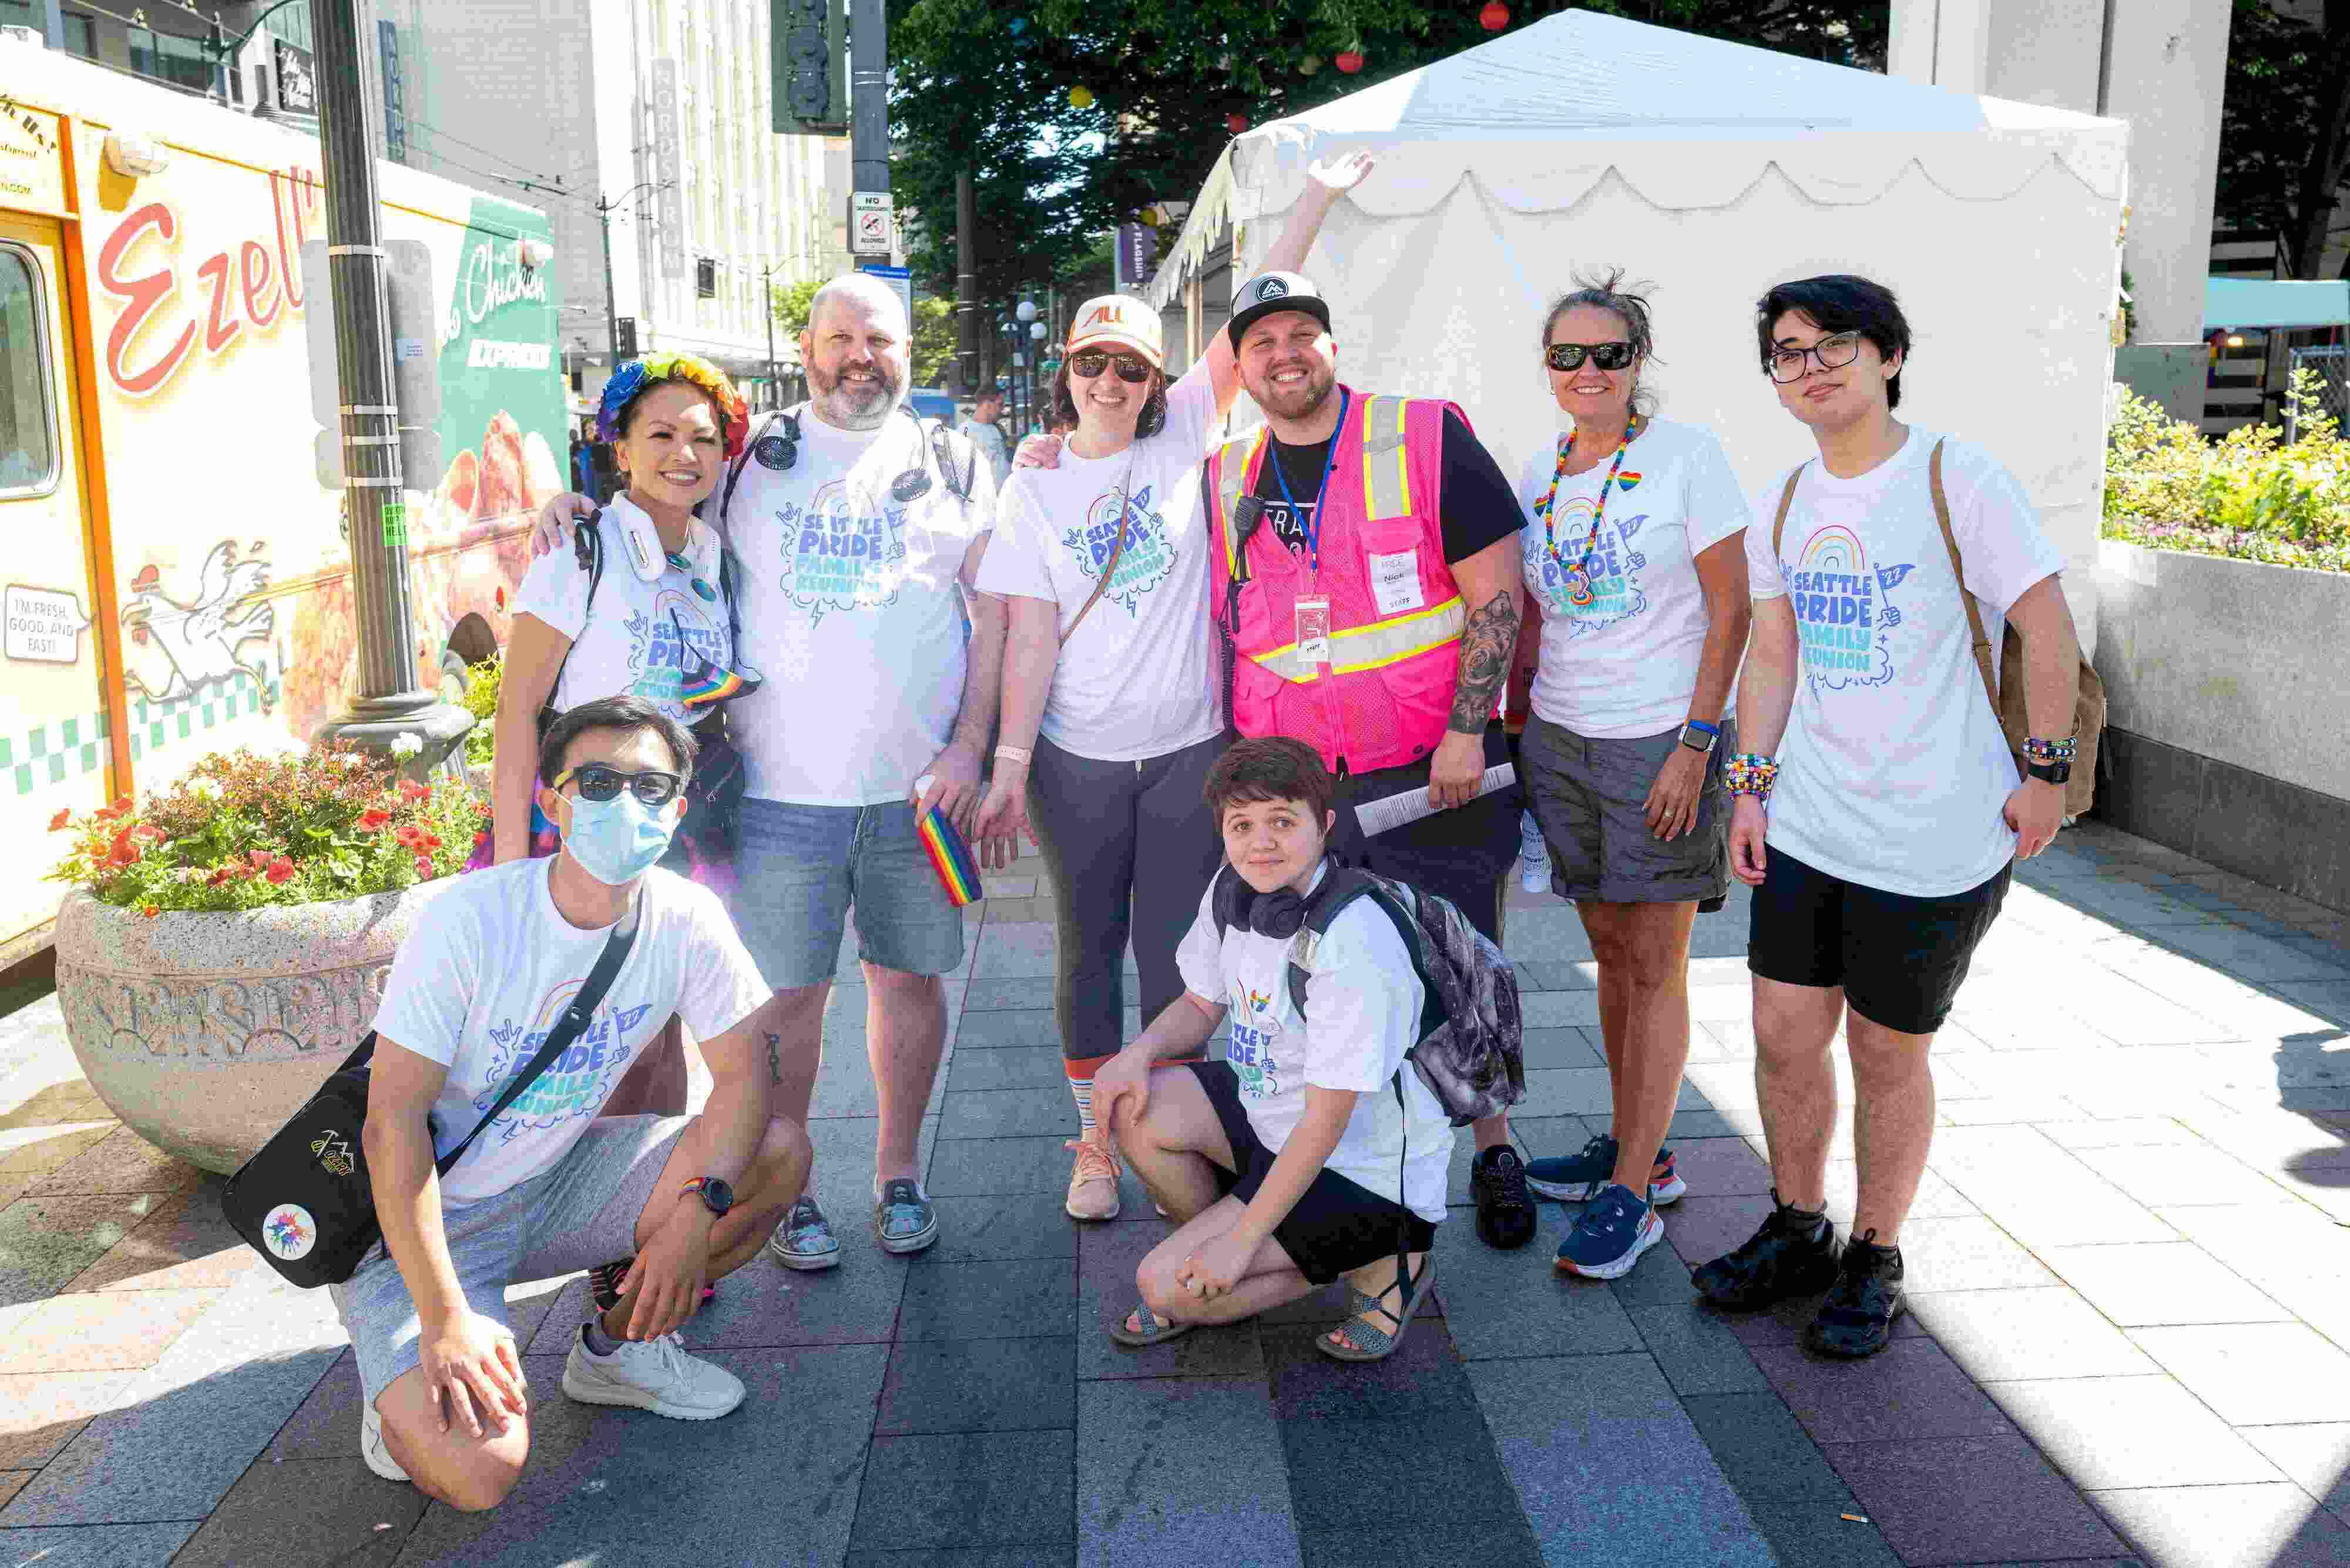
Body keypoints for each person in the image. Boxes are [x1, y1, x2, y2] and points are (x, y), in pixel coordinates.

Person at [535, 272, 1006, 1270]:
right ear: (807, 352)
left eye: (877, 339)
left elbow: (1000, 609)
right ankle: (790, 1182)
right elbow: (668, 481)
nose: (858, 358)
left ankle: (897, 1172)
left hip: (918, 790)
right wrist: (574, 503)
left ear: (907, 348)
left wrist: (973, 746)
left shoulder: (958, 460)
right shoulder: (757, 456)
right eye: (838, 338)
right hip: (779, 790)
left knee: (911, 983)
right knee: (788, 1001)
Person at [976, 155, 1369, 1223]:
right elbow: (1029, 639)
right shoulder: (1034, 484)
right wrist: (1011, 764)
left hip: (1189, 746)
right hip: (1078, 757)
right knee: (1085, 942)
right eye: (1094, 365)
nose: (1112, 384)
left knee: (1176, 951)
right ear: (1067, 371)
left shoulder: (1188, 429)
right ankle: (1093, 1139)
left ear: (1157, 382)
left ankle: (1156, 1121)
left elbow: (1257, 303)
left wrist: (1318, 199)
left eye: (1132, 369)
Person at [1694, 274, 2080, 1356]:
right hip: (1813, 818)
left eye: (1833, 345)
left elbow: (2045, 624)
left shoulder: (1956, 475)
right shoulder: (1784, 499)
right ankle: (1798, 1221)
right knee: (1781, 1035)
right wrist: (1750, 783)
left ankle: (1875, 1249)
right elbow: (1773, 653)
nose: (1809, 365)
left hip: (1936, 831)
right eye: (1786, 352)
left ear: (1890, 355)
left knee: (1885, 1047)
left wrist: (2046, 770)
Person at [344, 695, 809, 1510]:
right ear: (552, 800)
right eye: (597, 781)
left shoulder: (687, 917)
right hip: (416, 1218)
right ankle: (402, 1395)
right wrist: (446, 1314)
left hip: (556, 1184)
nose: (624, 803)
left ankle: (614, 1352)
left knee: (779, 1153)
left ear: (680, 807)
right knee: (481, 1473)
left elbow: (744, 1081)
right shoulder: (468, 920)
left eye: (650, 787)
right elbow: (392, 1126)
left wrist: (700, 1214)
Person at [1204, 269, 1536, 1251]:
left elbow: (1498, 595)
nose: (1284, 353)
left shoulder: (1425, 435)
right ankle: (1348, 1165)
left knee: (1457, 961)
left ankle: (1493, 1146)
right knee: (1326, 978)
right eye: (1261, 342)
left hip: (1433, 770)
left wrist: (1471, 730)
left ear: (1334, 345)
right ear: (1243, 365)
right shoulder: (1227, 472)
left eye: (1303, 331)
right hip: (1299, 791)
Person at [1508, 274, 1753, 1280]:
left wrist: (1697, 747)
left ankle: (1632, 1193)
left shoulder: (1690, 456)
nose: (1588, 371)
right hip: (1562, 739)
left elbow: (1732, 610)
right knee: (1610, 949)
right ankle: (1637, 1146)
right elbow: (1533, 612)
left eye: (1608, 353)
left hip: (1662, 741)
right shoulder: (1540, 467)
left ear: (1638, 361)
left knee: (1656, 962)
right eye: (1568, 355)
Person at [1091, 737, 1451, 1361]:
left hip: (1359, 1168)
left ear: (1324, 826)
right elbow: (1202, 1006)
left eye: (1282, 821)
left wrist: (1239, 1240)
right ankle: (1242, 1248)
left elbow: (1325, 1123)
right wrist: (1135, 1054)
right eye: (1242, 824)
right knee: (1135, 1102)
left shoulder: (1352, 940)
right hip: (1272, 1123)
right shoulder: (1234, 888)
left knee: (1160, 1285)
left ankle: (1383, 1265)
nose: (1261, 842)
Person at [493, 354, 758, 1117]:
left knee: (666, 1028)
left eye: (704, 439)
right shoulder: (579, 555)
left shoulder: (714, 560)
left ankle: (643, 1210)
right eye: (661, 434)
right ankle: (589, 1222)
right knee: (593, 1038)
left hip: (688, 824)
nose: (685, 455)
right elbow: (516, 715)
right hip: (591, 826)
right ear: (621, 448)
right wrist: (513, 879)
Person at [961, 389, 1010, 488]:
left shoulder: (997, 428)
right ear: (987, 404)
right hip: (985, 499)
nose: (1002, 409)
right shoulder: (965, 430)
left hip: (1005, 496)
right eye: (1000, 404)